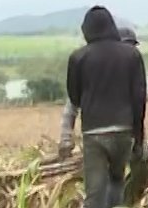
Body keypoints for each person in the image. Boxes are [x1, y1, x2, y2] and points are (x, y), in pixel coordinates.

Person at [64, 6, 147, 208]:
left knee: (95, 191)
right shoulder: (131, 56)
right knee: (117, 182)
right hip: (123, 130)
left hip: (94, 133)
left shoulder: (78, 58)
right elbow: (139, 99)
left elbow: (74, 96)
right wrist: (139, 138)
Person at [58, 22, 139, 160]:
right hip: (97, 138)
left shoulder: (130, 73)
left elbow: (138, 110)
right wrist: (66, 138)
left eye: (131, 47)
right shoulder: (93, 71)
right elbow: (71, 106)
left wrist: (139, 141)